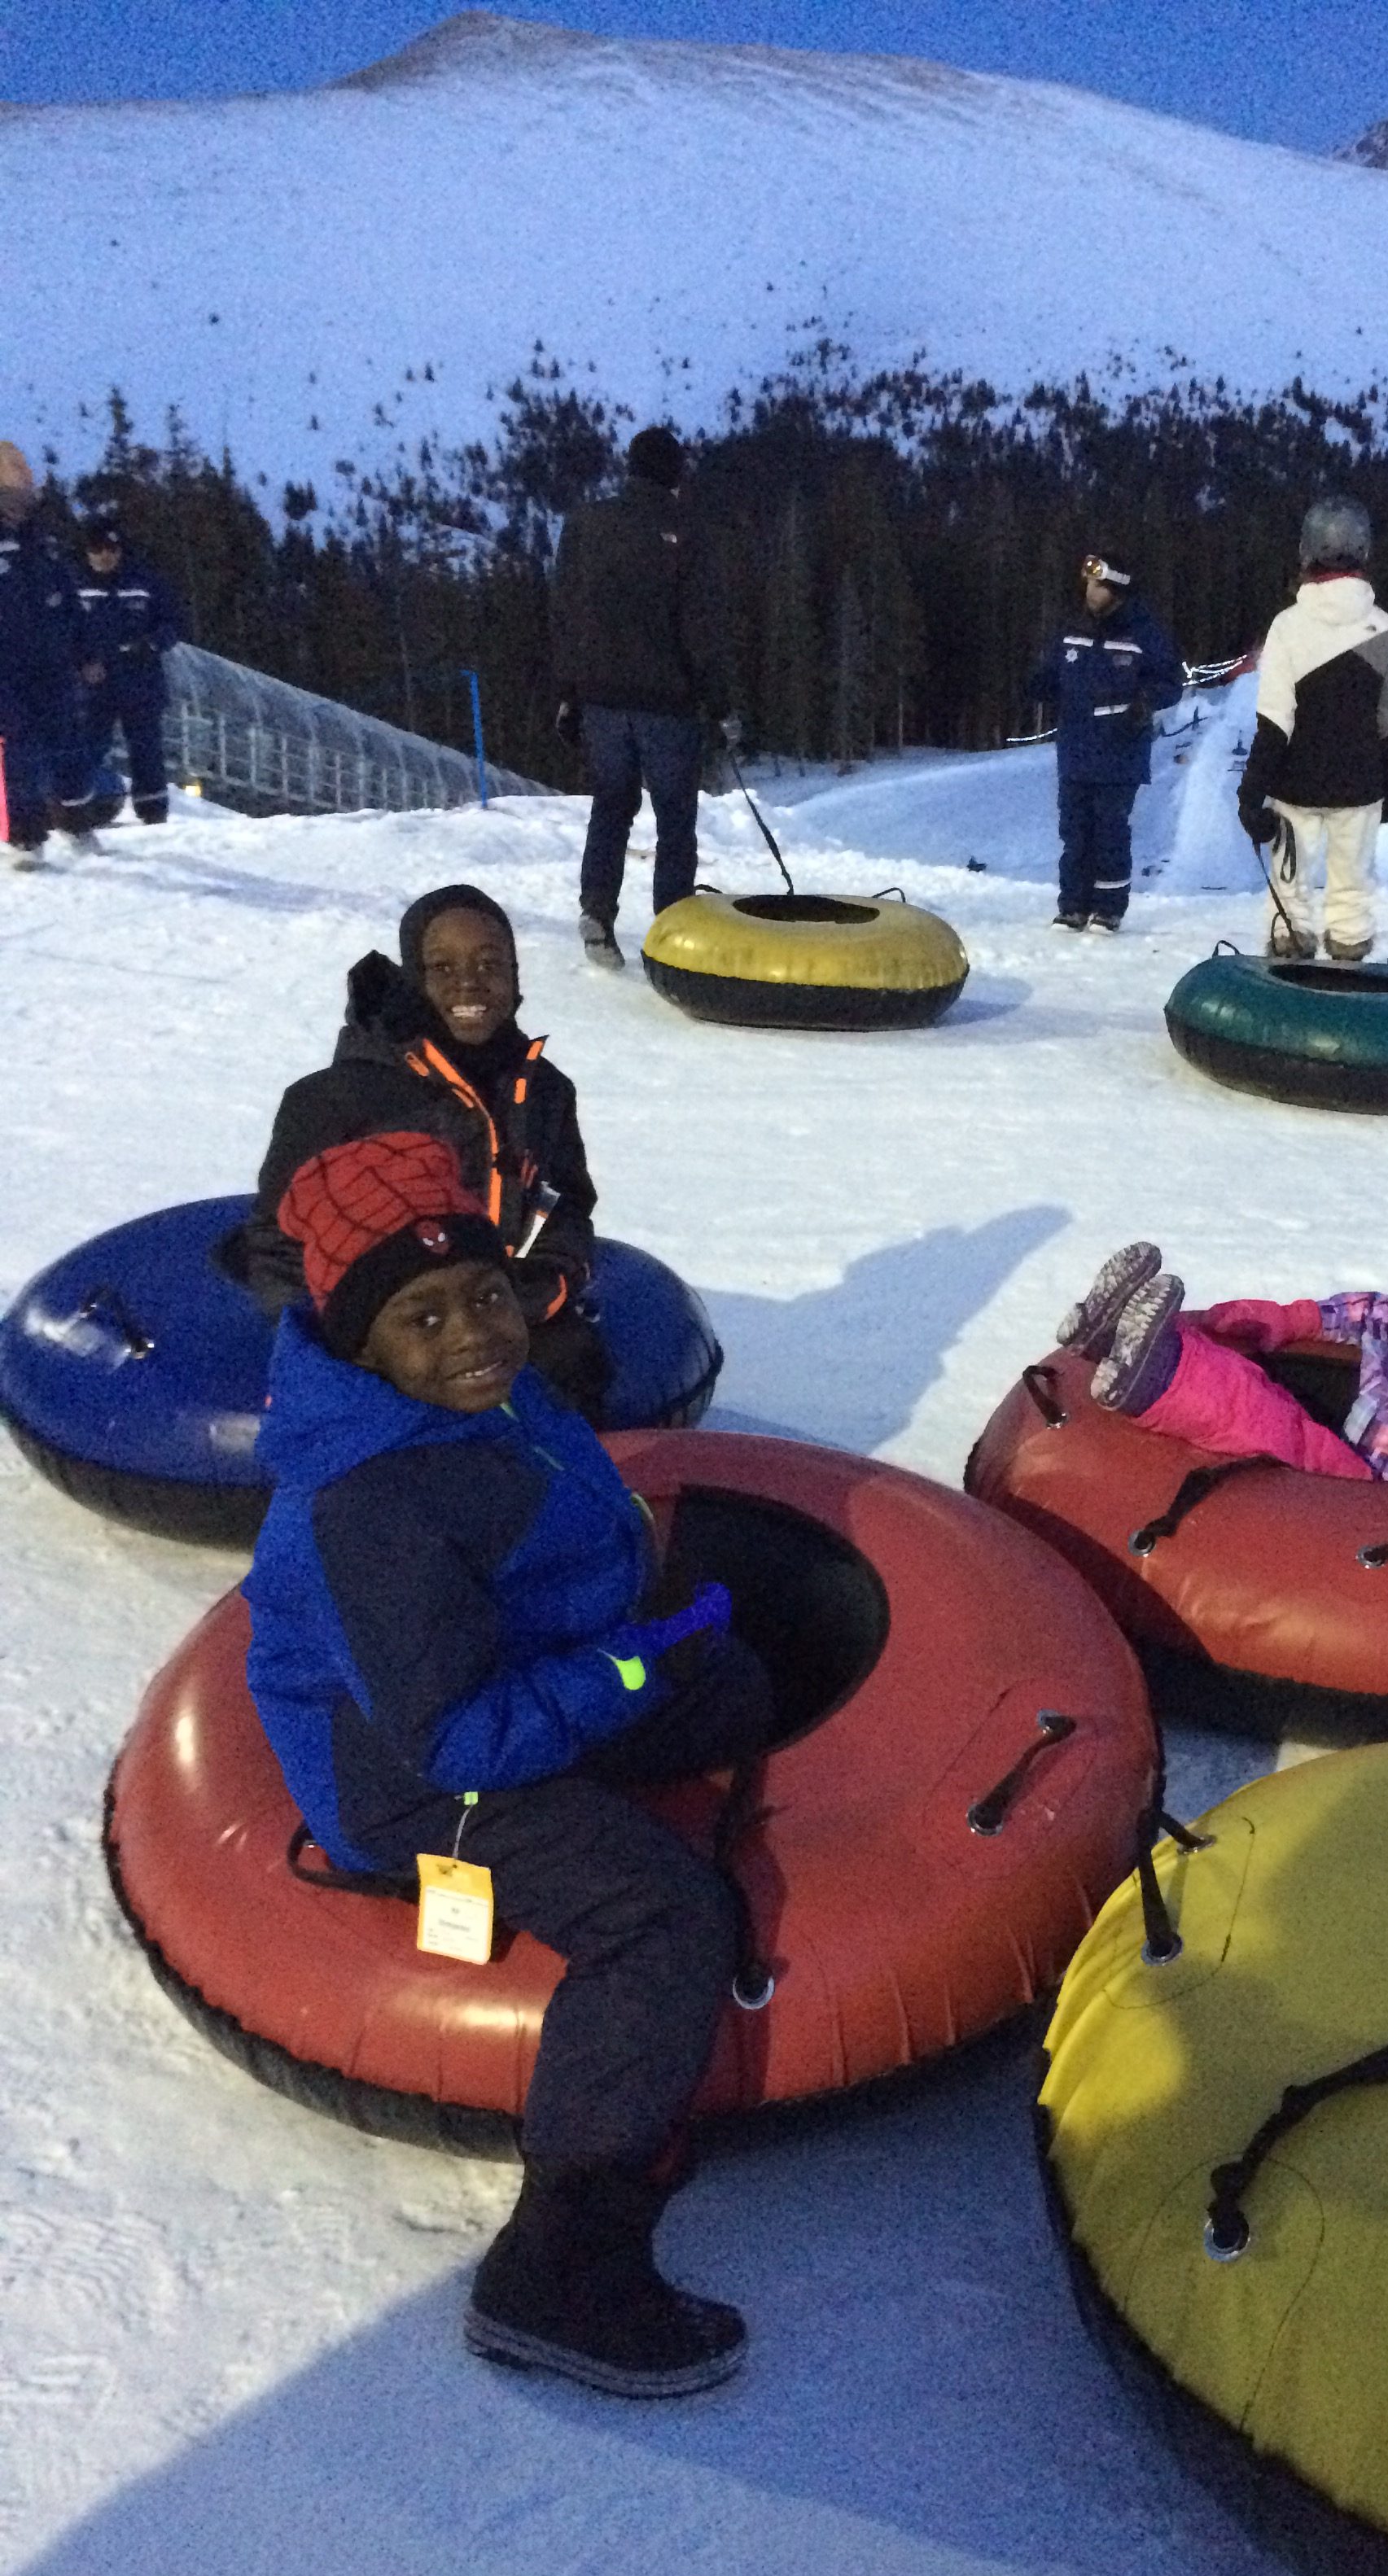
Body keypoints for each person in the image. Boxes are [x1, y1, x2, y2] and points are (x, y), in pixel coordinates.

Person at [244, 1130, 772, 2395]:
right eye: (422, 1315)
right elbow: (458, 1737)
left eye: (486, 1293)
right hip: (419, 1774)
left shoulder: (469, 1393)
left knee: (738, 1672)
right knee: (663, 1916)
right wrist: (630, 1672)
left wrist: (650, 1647)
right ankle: (558, 2274)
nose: (472, 1332)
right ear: (362, 1343)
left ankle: (664, 1702)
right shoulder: (370, 1504)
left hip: (527, 1667)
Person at [221, 883, 612, 1419]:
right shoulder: (335, 1100)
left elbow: (563, 1205)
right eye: (443, 968)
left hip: (495, 1314)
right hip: (393, 1333)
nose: (470, 982)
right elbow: (277, 1243)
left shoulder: (545, 1091)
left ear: (515, 976)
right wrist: (347, 1345)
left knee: (571, 1368)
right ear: (413, 978)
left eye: (490, 963)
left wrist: (541, 1289)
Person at [1057, 1240, 1388, 1502]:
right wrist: (1286, 1319)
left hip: (1380, 1501)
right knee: (1260, 1390)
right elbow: (1360, 1311)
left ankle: (1152, 1381)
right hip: (1344, 1462)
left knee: (1265, 1425)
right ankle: (1118, 1335)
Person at [549, 424, 725, 972]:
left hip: (600, 699)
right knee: (674, 818)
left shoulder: (585, 524)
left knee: (612, 806)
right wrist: (719, 702)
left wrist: (568, 692)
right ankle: (671, 931)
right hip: (666, 702)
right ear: (674, 473)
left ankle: (597, 911)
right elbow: (701, 626)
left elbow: (565, 612)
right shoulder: (687, 532)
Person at [1237, 497, 1388, 964]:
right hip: (1361, 787)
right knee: (1352, 886)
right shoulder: (1384, 628)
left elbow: (1275, 719)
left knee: (1289, 888)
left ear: (1307, 552)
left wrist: (1251, 793)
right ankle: (1350, 959)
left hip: (1295, 785)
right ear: (1364, 552)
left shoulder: (1288, 626)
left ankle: (1289, 962)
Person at [1025, 551, 1184, 932]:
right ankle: (1073, 906)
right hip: (1076, 750)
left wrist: (1144, 704)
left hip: (1119, 752)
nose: (1089, 590)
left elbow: (1170, 684)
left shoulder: (1144, 632)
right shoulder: (1072, 627)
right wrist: (1036, 683)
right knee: (1074, 832)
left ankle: (1109, 908)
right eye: (1088, 584)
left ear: (1115, 588)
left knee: (1110, 831)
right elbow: (1050, 673)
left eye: (1097, 585)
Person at [0, 440, 88, 869]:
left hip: (53, 662)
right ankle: (26, 839)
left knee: (67, 743)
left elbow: (71, 600)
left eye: (23, 490)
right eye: (9, 491)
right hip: (6, 668)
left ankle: (74, 819)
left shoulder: (45, 540)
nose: (18, 499)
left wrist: (87, 652)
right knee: (20, 747)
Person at [73, 517, 184, 826]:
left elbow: (174, 623)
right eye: (97, 549)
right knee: (88, 747)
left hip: (141, 682)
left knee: (146, 749)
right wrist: (81, 663)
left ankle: (153, 813)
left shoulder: (145, 582)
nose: (105, 556)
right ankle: (82, 809)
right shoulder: (73, 585)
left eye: (111, 548)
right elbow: (59, 631)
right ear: (87, 551)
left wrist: (150, 644)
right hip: (94, 686)